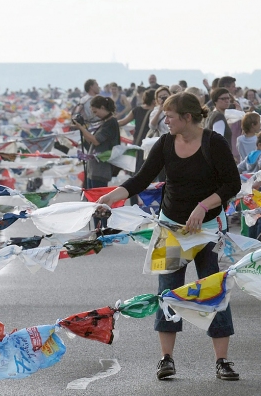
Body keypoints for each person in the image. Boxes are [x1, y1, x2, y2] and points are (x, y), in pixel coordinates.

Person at [93, 92, 241, 381]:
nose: (165, 121)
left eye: (169, 116)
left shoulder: (214, 143)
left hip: (207, 230)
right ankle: (166, 358)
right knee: (167, 293)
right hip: (170, 229)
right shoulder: (165, 143)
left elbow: (231, 184)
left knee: (214, 291)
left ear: (187, 117)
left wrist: (202, 207)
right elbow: (141, 178)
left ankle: (222, 361)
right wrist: (112, 197)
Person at [72, 95, 119, 187]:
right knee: (91, 199)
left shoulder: (110, 123)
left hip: (101, 170)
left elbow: (96, 141)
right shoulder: (105, 123)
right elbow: (91, 142)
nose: (95, 115)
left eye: (95, 112)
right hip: (94, 169)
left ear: (102, 107)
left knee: (97, 199)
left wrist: (81, 128)